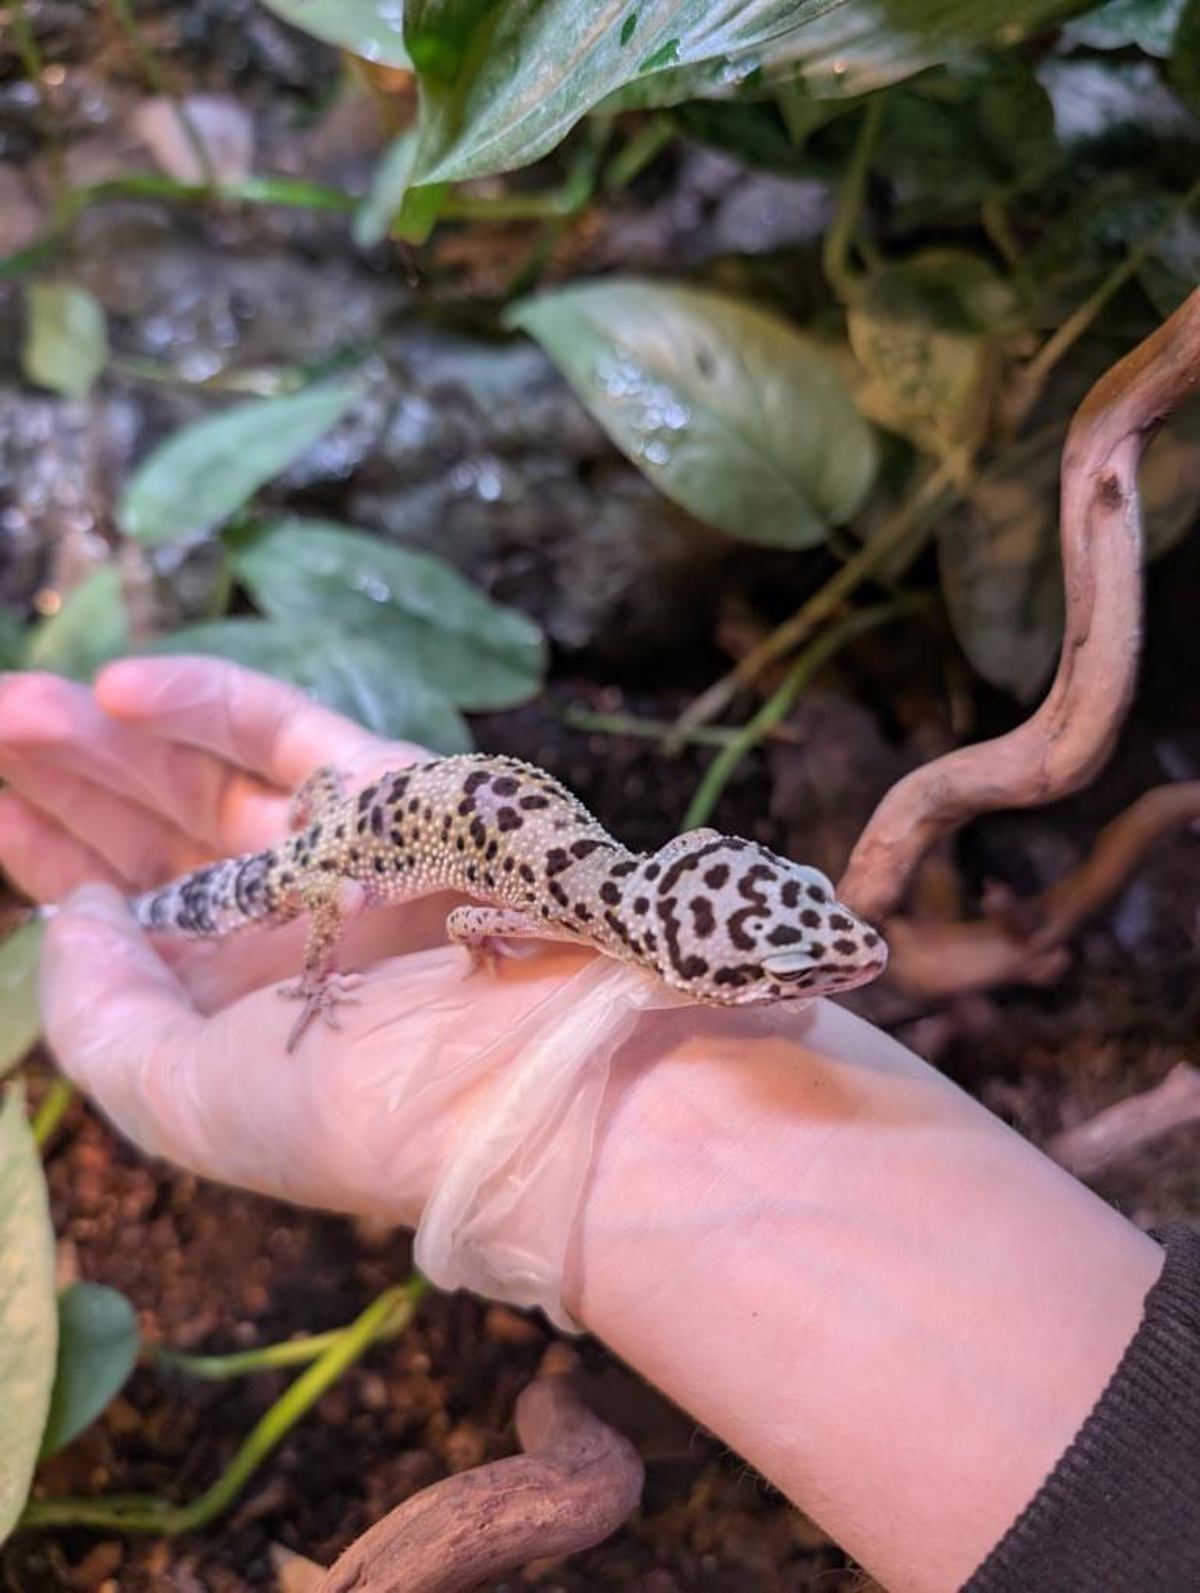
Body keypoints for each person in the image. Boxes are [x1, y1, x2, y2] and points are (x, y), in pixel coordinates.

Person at [2, 657, 1196, 1593]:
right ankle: (164, 918)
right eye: (785, 972)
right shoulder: (565, 907)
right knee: (303, 895)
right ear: (690, 952)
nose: (854, 965)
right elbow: (471, 917)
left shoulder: (604, 900)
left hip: (373, 817)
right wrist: (340, 965)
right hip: (336, 856)